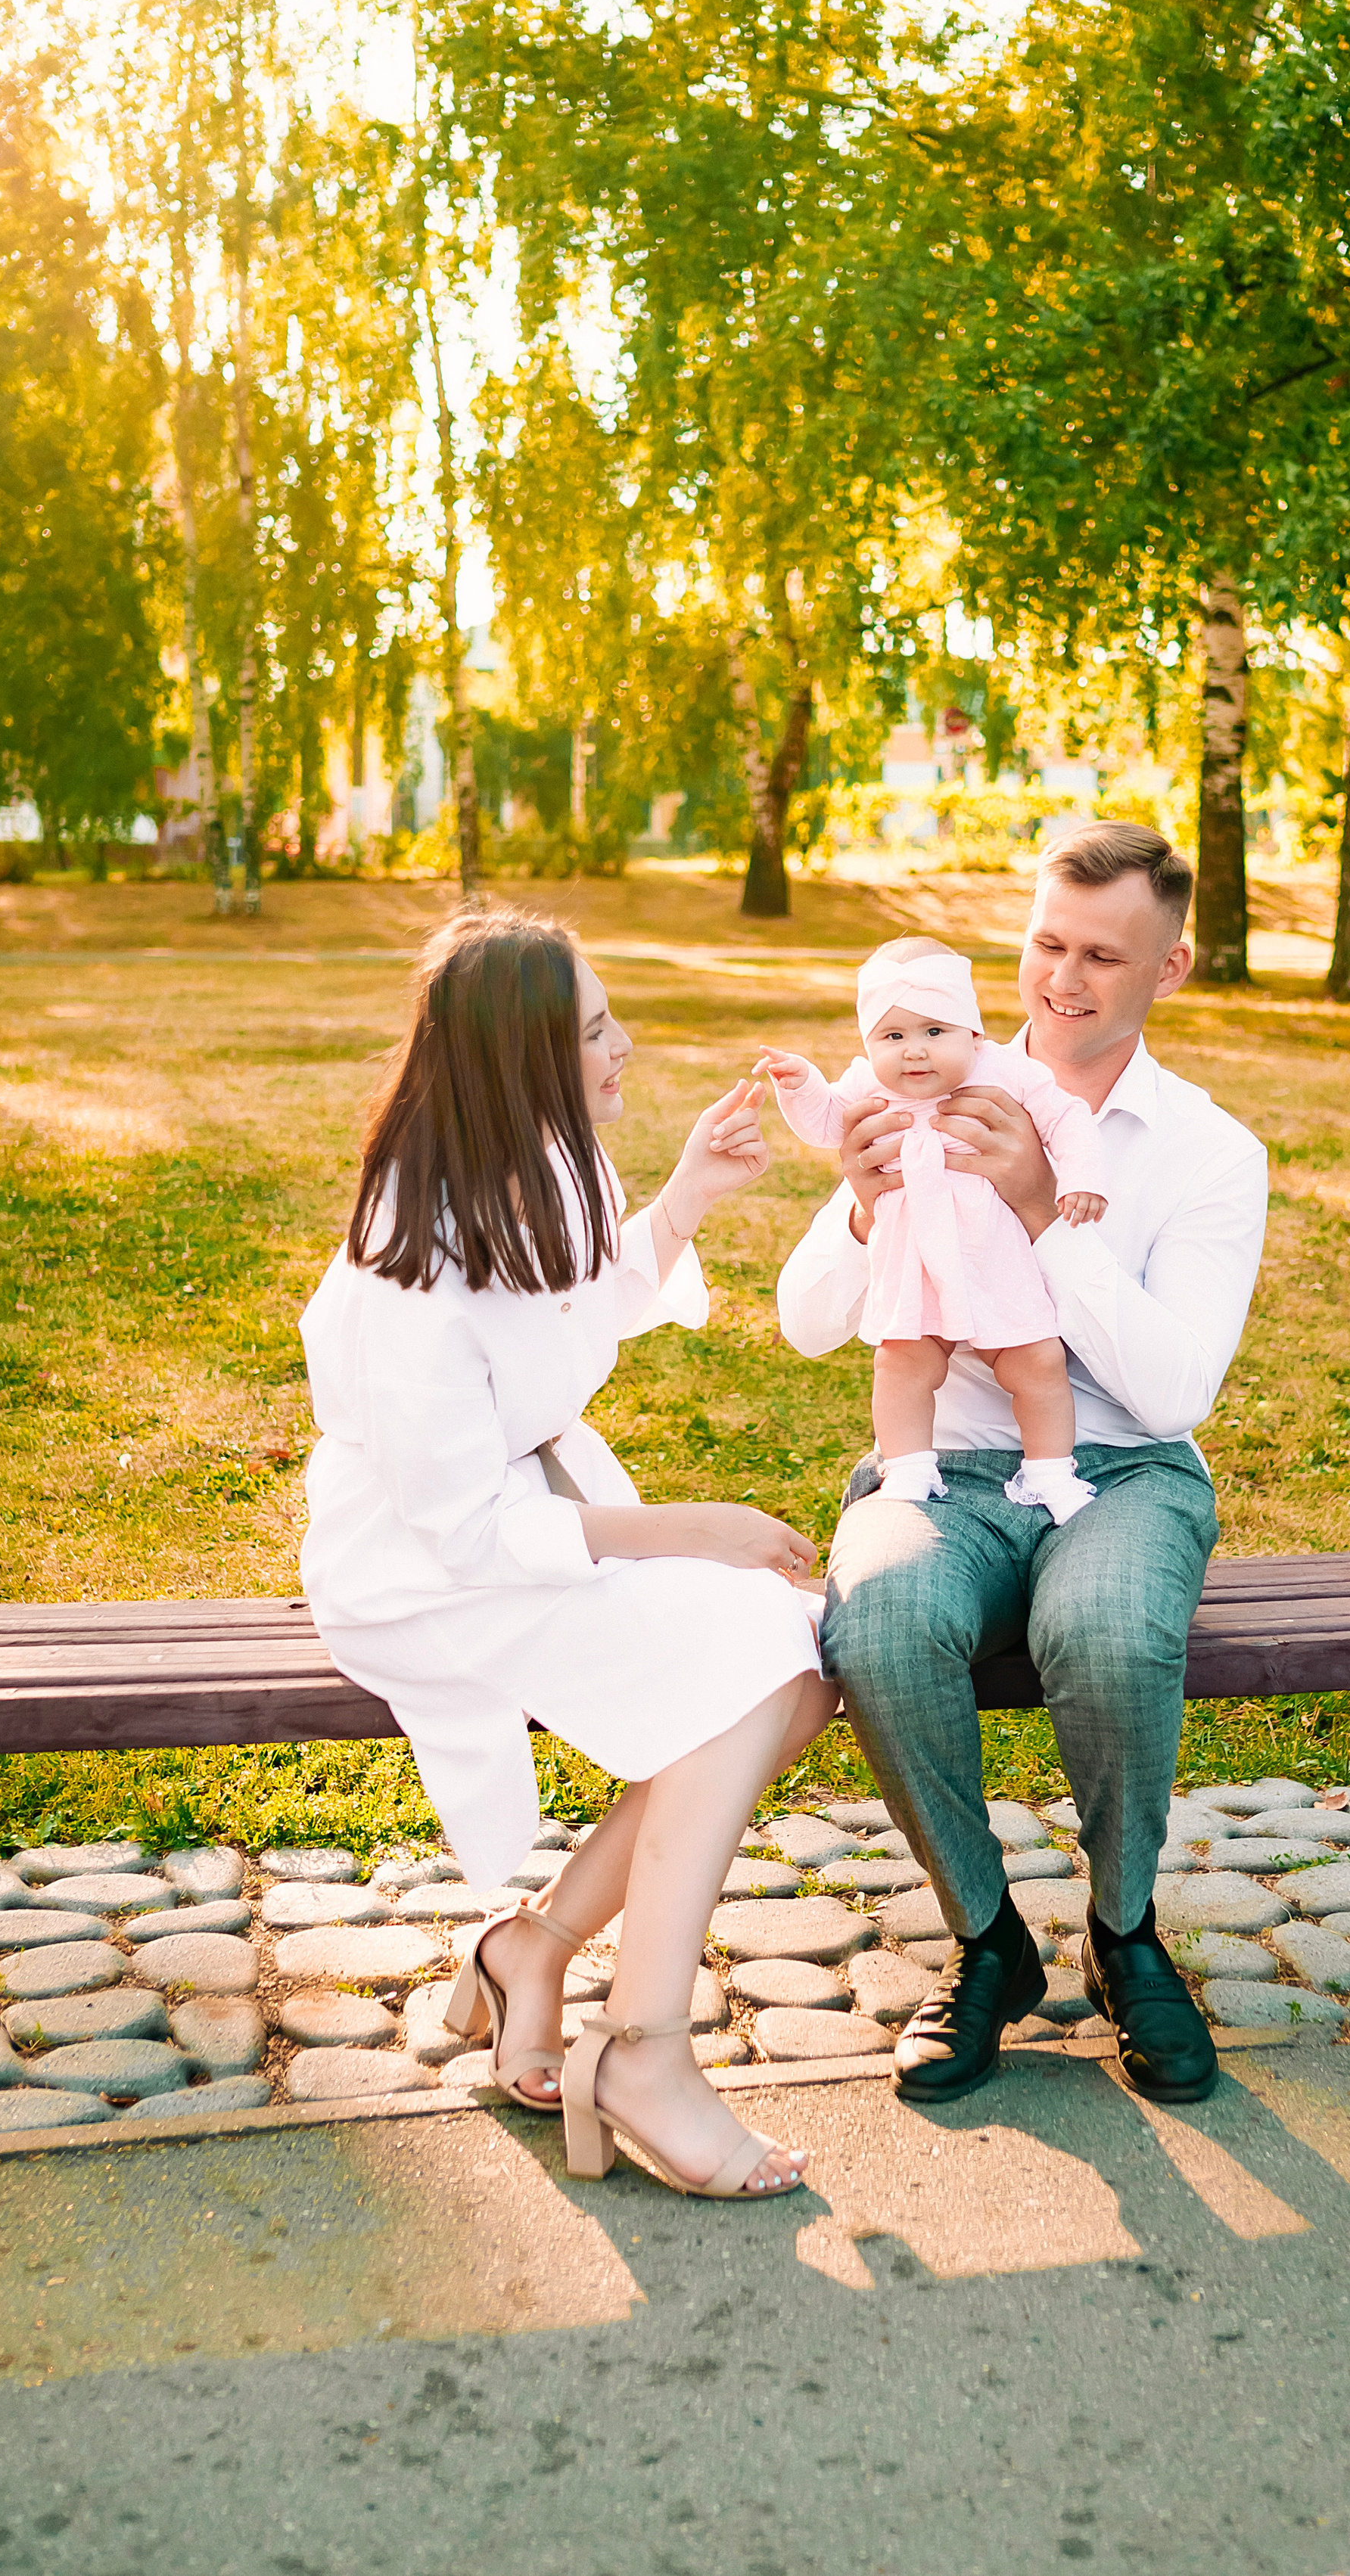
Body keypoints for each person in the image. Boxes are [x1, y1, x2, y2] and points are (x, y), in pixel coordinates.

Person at [299, 907, 837, 2197]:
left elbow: (582, 1302)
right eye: (596, 1030)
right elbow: (464, 1529)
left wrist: (691, 1192)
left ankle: (533, 1948)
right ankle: (645, 2049)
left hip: (535, 1523)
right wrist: (689, 1531)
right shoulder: (406, 1263)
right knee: (761, 1659)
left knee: (804, 1662)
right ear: (522, 1057)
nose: (627, 1046)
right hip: (424, 1575)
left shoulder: (550, 1155)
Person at [778, 825, 1268, 2105]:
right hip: (945, 1467)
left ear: (1171, 968)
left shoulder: (1213, 1152)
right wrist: (865, 1201)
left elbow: (1170, 1391)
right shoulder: (920, 1076)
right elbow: (807, 1320)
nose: (1063, 978)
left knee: (1101, 1622)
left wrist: (1048, 1213)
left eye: (1103, 954)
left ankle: (1124, 1931)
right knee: (879, 1616)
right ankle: (990, 1938)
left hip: (1127, 1470)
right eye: (1047, 942)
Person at [755, 934, 1109, 1524]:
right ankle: (909, 1466)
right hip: (913, 1260)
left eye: (934, 1032)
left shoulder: (1007, 1072)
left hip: (994, 1259)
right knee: (900, 1365)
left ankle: (1051, 1471)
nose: (914, 1053)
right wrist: (800, 1085)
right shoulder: (870, 1085)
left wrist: (1081, 1177)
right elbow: (824, 1124)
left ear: (974, 1033)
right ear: (870, 1045)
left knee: (1038, 1362)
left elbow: (1065, 1117)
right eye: (892, 1037)